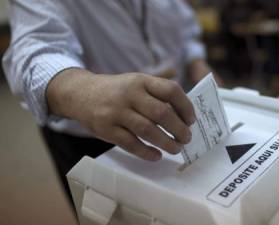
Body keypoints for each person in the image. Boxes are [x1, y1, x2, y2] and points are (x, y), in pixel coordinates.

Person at [2, 0, 219, 199]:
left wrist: (195, 61)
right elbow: (33, 49)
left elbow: (182, 22)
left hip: (168, 120)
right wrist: (84, 90)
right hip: (93, 139)